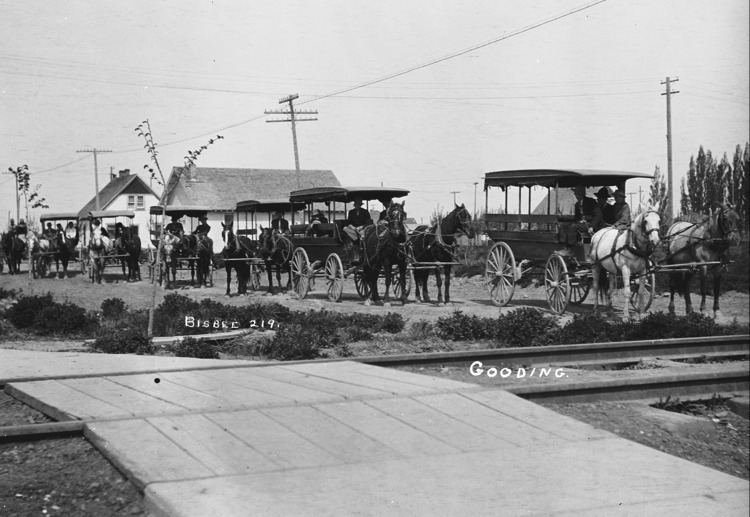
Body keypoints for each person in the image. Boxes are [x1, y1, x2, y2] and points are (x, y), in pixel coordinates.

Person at [559, 185, 597, 256]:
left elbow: (597, 216)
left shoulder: (591, 202)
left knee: (573, 226)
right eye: (576, 194)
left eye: (578, 194)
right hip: (581, 224)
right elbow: (577, 218)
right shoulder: (577, 204)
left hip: (590, 224)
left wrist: (592, 226)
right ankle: (564, 246)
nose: (576, 196)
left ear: (582, 194)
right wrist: (579, 221)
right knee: (564, 226)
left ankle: (570, 249)